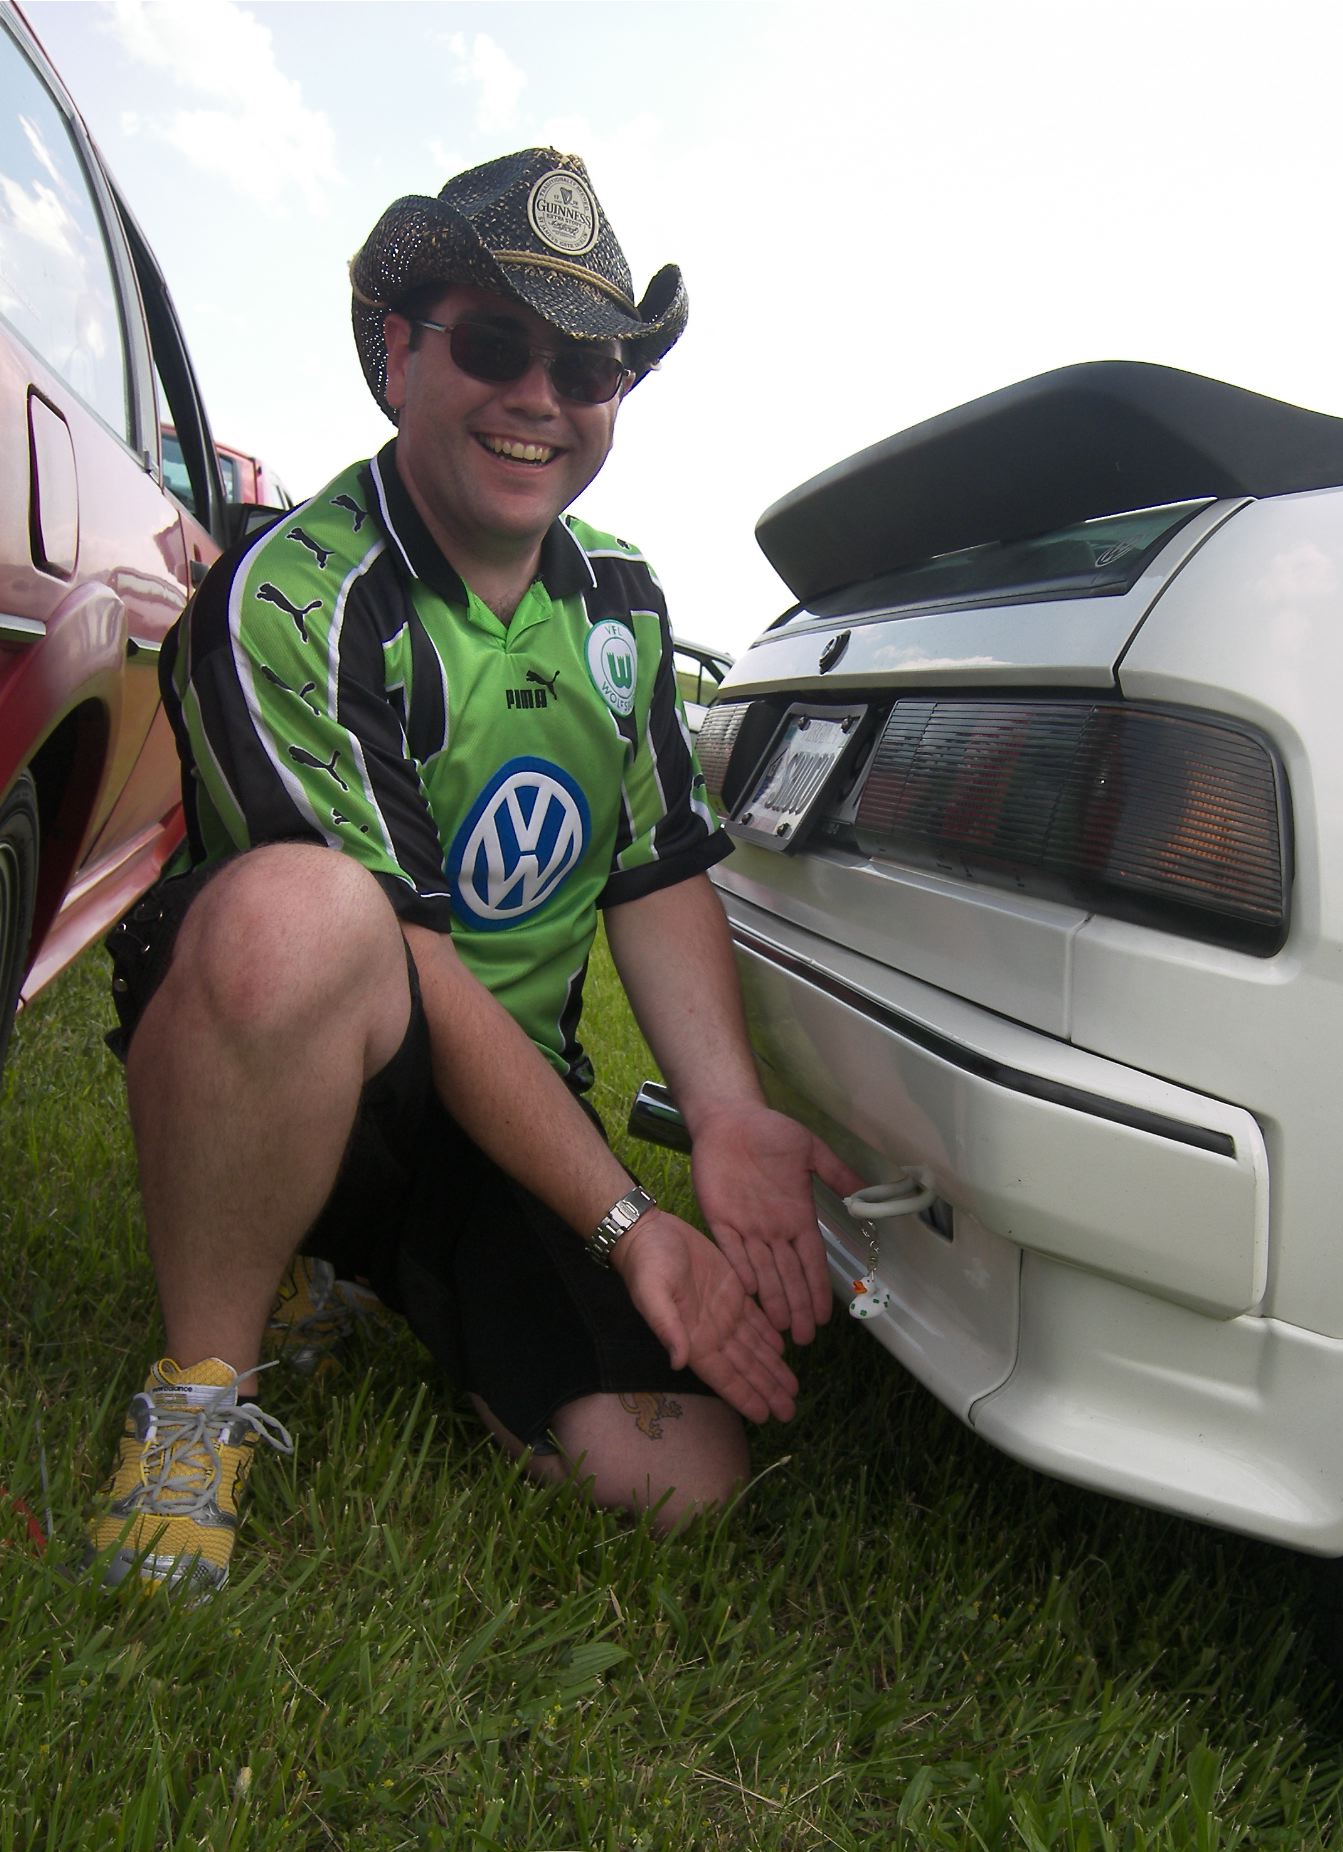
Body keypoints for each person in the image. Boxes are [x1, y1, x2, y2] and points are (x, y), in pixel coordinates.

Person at [90, 149, 859, 1596]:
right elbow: (400, 951)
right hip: (319, 1064)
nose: (540, 399)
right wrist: (628, 1224)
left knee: (677, 1476)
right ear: (399, 356)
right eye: (497, 344)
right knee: (304, 914)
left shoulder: (623, 601)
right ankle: (203, 1387)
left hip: (507, 1113)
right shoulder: (297, 592)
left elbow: (655, 870)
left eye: (589, 367)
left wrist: (727, 1113)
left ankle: (372, 1281)